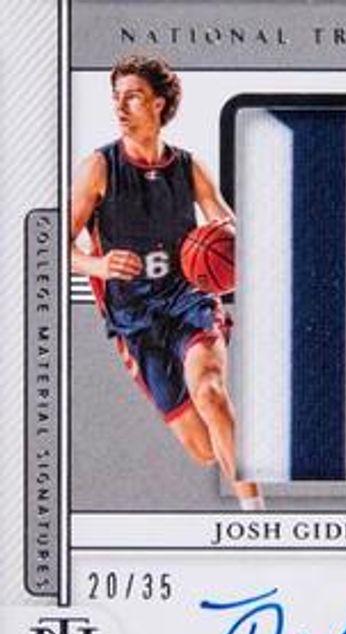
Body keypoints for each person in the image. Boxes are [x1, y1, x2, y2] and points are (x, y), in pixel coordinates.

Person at [71, 54, 264, 510]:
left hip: (187, 301)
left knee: (211, 394)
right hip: (136, 321)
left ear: (158, 104)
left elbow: (229, 229)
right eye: (116, 98)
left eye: (133, 97)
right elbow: (52, 245)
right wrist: (99, 265)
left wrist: (238, 243)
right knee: (204, 450)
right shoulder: (99, 167)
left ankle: (259, 519)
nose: (120, 107)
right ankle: (235, 452)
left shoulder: (190, 168)